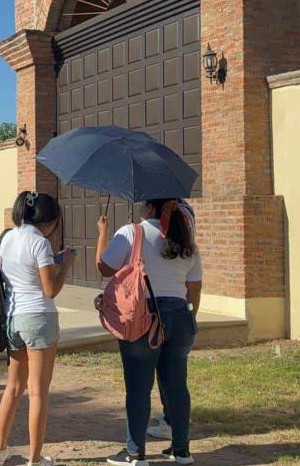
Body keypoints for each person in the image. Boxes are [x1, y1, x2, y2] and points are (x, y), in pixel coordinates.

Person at [98, 199, 202, 466]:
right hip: (179, 315)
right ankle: (181, 451)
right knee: (177, 387)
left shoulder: (132, 233)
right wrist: (190, 315)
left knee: (138, 388)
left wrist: (102, 233)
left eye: (144, 201)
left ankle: (135, 453)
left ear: (151, 207)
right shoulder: (186, 241)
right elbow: (195, 287)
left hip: (143, 318)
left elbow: (104, 267)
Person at [0, 191, 75, 466]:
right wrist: (65, 267)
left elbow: (15, 272)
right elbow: (50, 290)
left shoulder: (8, 238)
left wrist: (54, 261)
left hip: (13, 317)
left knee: (13, 388)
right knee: (38, 391)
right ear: (49, 222)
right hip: (39, 316)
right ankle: (35, 459)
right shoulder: (41, 243)